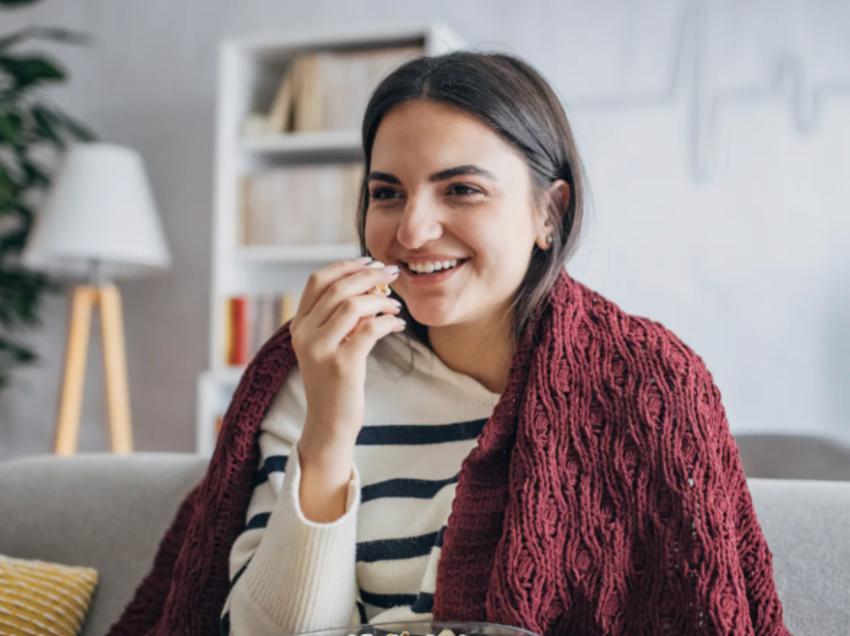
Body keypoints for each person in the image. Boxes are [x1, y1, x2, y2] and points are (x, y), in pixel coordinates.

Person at [106, 51, 791, 636]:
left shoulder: (649, 381)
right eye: (387, 193)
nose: (412, 231)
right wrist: (329, 428)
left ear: (549, 213)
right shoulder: (309, 366)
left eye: (461, 189)